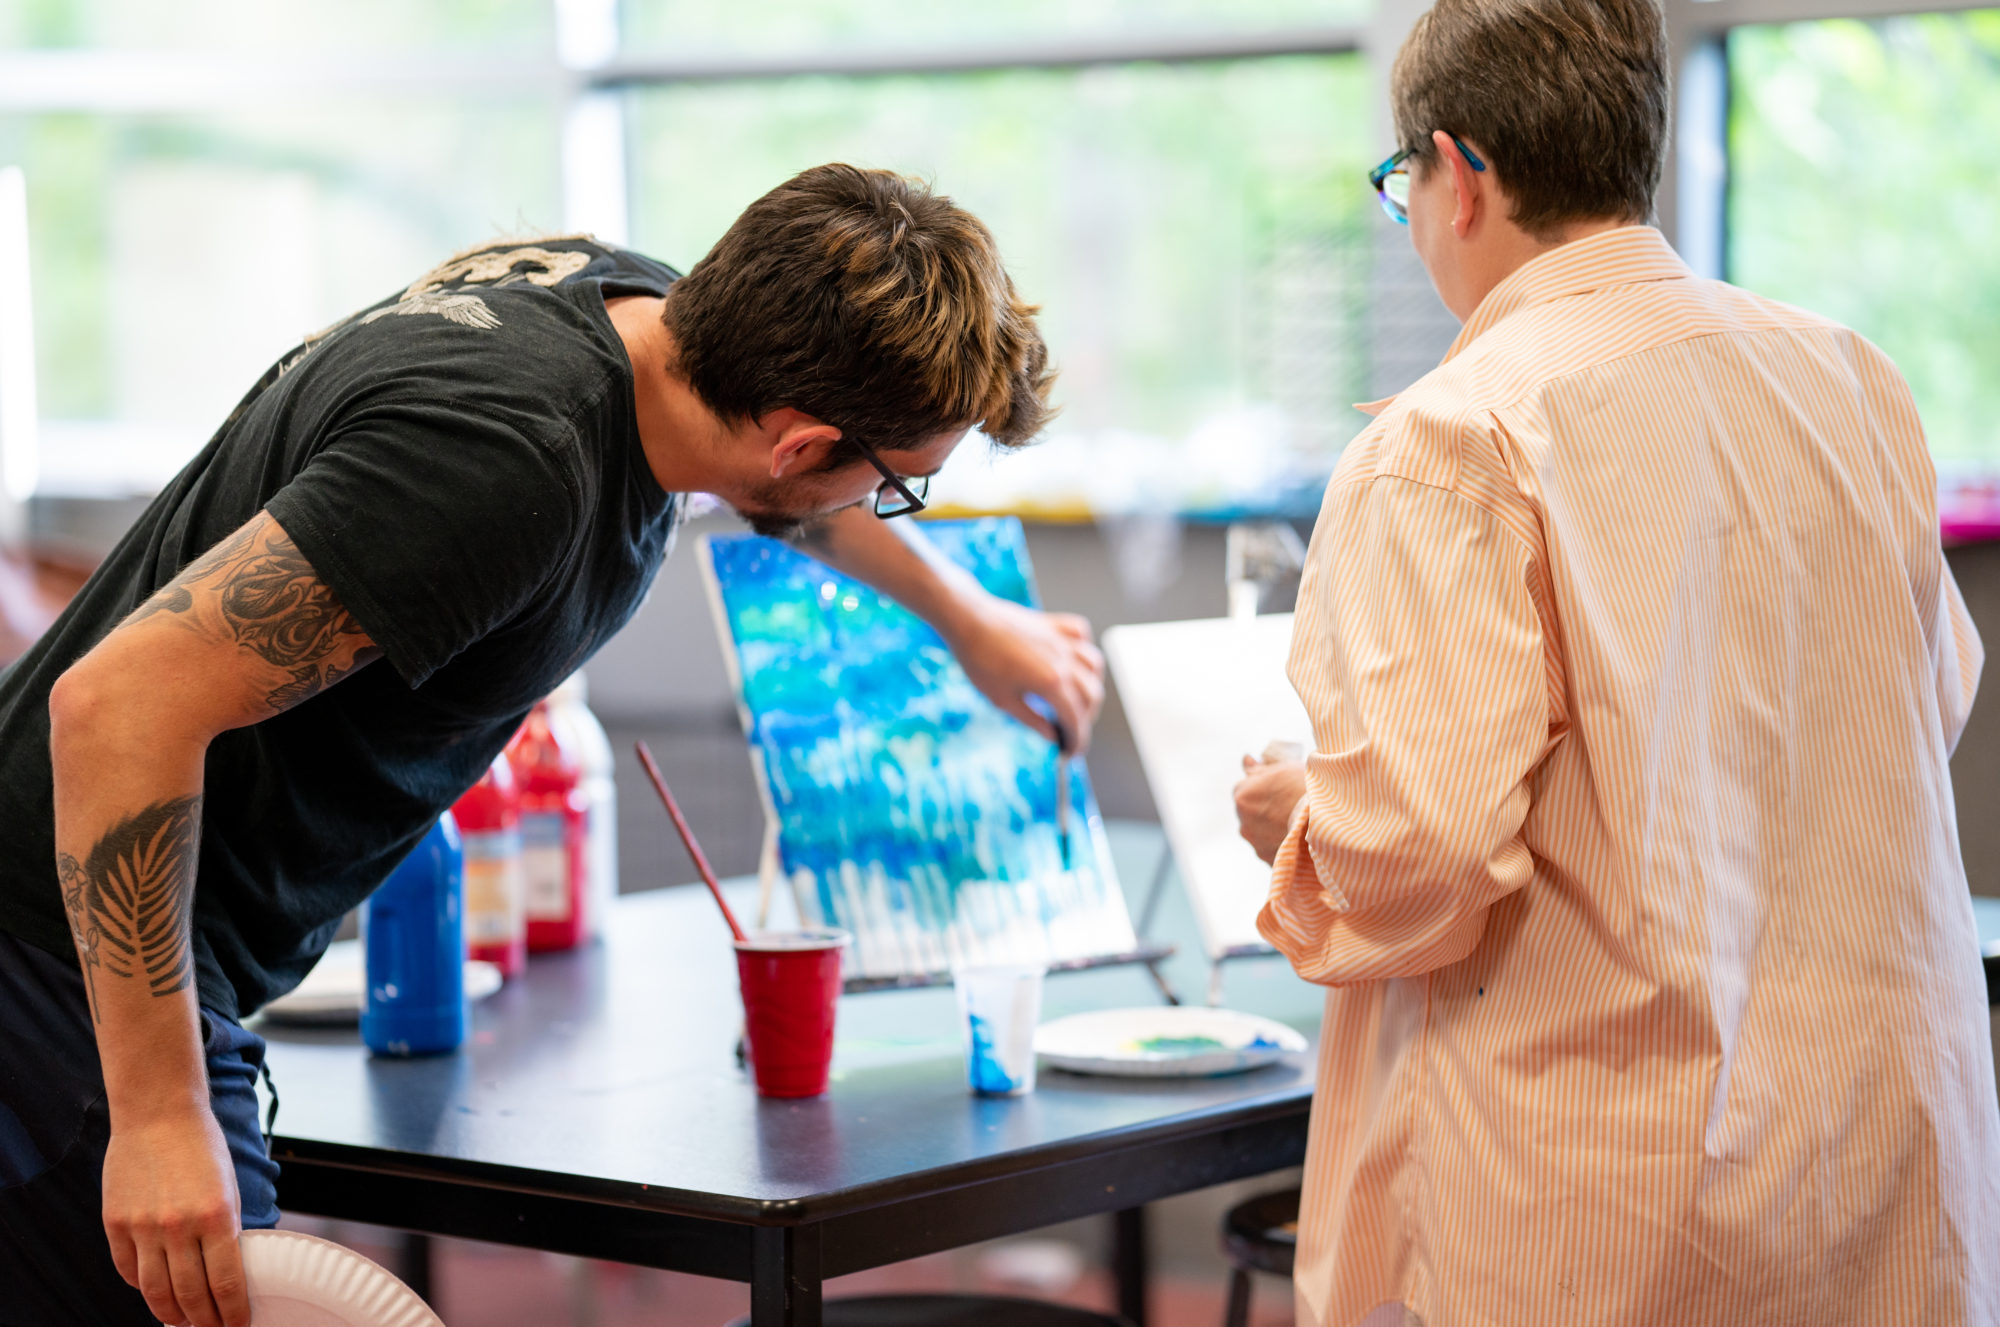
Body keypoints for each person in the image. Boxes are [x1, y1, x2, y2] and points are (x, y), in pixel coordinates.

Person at [0, 163, 1104, 1327]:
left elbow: (780, 495)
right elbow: (113, 710)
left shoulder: (650, 316)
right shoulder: (508, 461)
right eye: (899, 487)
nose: (885, 503)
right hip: (54, 951)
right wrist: (162, 1114)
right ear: (800, 442)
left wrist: (970, 619)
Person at [1232, 1, 2000, 1322]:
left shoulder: (1451, 438)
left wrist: (1302, 817)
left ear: (1458, 173)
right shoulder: (1847, 375)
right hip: (1870, 1155)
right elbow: (1926, 699)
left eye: (1399, 182)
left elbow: (1419, 856)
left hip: (1605, 1196)